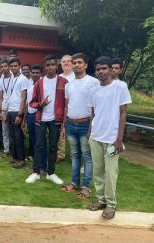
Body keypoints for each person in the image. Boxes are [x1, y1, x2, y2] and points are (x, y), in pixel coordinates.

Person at [88, 56, 131, 220]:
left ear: (110, 69)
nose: (101, 71)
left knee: (110, 173)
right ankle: (101, 200)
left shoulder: (120, 87)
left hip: (113, 140)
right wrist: (91, 132)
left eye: (104, 68)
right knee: (97, 171)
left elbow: (123, 112)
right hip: (96, 138)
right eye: (98, 69)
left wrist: (119, 139)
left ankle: (111, 205)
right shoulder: (94, 90)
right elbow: (93, 112)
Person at [60, 53, 99, 198]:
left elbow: (96, 106)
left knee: (87, 156)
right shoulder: (68, 85)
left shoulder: (93, 82)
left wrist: (92, 126)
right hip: (70, 123)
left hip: (85, 125)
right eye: (74, 62)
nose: (76, 65)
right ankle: (74, 183)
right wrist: (64, 124)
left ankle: (86, 187)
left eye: (79, 62)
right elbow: (66, 106)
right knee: (75, 155)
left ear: (86, 65)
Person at [27, 55, 67, 184]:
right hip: (41, 118)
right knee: (38, 145)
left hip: (56, 119)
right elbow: (32, 103)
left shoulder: (63, 81)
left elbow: (67, 103)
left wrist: (64, 122)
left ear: (57, 66)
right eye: (48, 65)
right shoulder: (39, 82)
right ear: (45, 67)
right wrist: (40, 105)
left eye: (52, 64)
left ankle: (51, 173)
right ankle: (36, 172)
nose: (50, 67)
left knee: (53, 146)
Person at [7, 58, 27, 168]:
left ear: (19, 66)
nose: (13, 67)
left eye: (15, 65)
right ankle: (14, 157)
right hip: (10, 110)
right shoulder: (12, 78)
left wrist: (20, 114)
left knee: (18, 136)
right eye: (12, 66)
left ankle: (21, 159)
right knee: (12, 136)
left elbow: (23, 97)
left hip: (17, 111)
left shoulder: (23, 79)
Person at [57, 55, 75, 162]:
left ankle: (74, 157)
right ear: (61, 64)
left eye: (69, 61)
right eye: (64, 61)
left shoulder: (75, 77)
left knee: (72, 135)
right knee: (60, 134)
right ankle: (60, 155)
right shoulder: (58, 77)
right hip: (60, 109)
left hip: (73, 109)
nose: (66, 63)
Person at [0, 60, 12, 155]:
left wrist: (7, 112)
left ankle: (13, 149)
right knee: (4, 131)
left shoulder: (14, 79)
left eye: (5, 66)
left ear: (9, 67)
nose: (3, 68)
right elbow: (0, 97)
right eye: (2, 66)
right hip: (3, 108)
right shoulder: (1, 80)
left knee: (13, 131)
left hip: (12, 109)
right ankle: (6, 150)